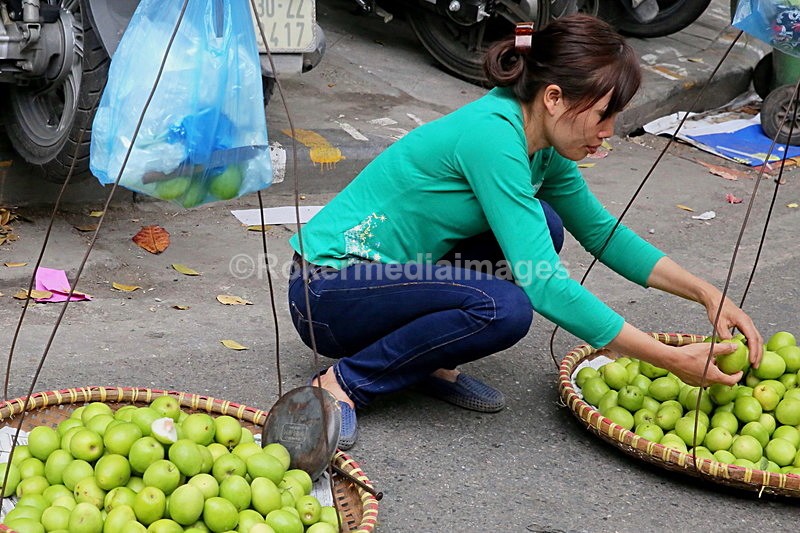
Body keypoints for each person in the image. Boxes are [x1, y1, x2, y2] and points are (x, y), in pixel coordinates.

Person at [286, 14, 763, 450]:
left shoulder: (544, 144)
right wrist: (667, 358)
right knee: (505, 308)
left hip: (393, 281)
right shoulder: (493, 136)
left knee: (547, 227)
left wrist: (706, 294)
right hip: (326, 292)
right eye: (603, 114)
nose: (610, 131)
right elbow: (545, 286)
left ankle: (421, 360)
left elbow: (602, 234)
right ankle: (344, 383)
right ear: (554, 98)